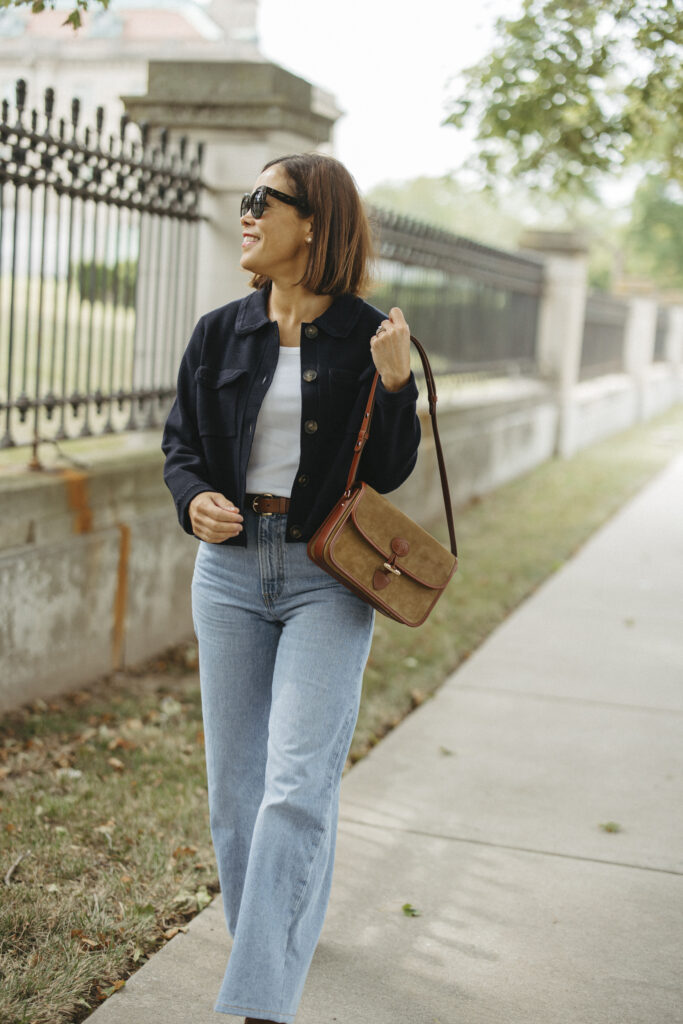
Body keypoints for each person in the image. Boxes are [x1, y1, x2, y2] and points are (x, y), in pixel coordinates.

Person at [161, 153, 421, 1023]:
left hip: (323, 575)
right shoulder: (218, 332)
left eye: (258, 202)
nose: (244, 215)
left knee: (297, 783)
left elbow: (387, 471)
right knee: (238, 792)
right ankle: (270, 933)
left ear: (311, 222)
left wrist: (394, 384)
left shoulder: (367, 335)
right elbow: (181, 448)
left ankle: (259, 998)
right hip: (230, 575)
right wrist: (193, 497)